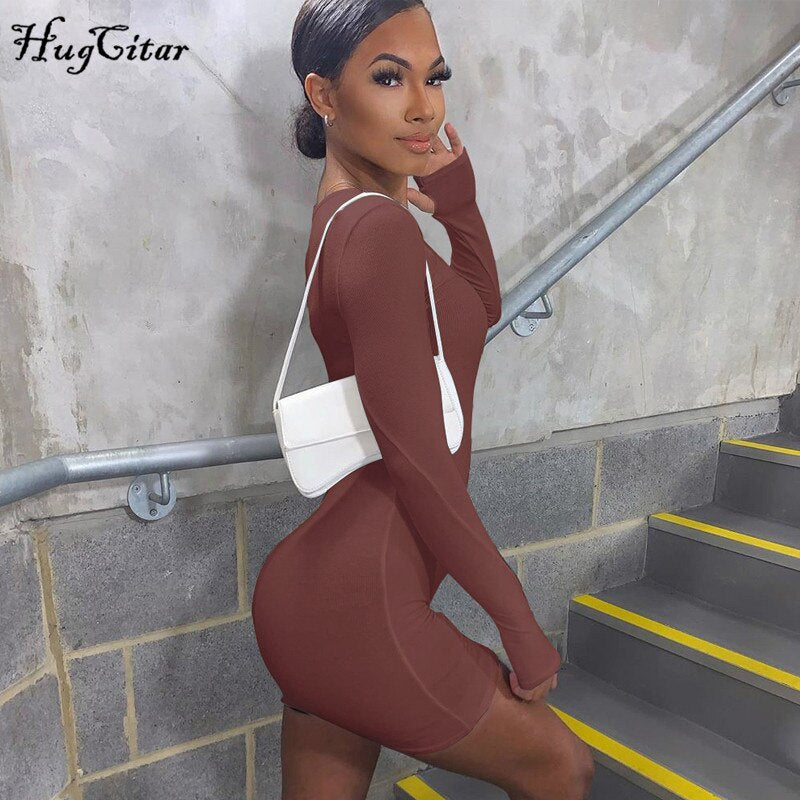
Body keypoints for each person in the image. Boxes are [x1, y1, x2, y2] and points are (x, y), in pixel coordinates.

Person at [251, 2, 594, 798]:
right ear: (323, 96)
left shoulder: (354, 222)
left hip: (322, 599)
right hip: (361, 606)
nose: (423, 107)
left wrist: (461, 207)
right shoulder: (376, 234)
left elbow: (479, 308)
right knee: (561, 768)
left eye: (433, 78)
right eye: (387, 78)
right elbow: (418, 465)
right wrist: (517, 621)